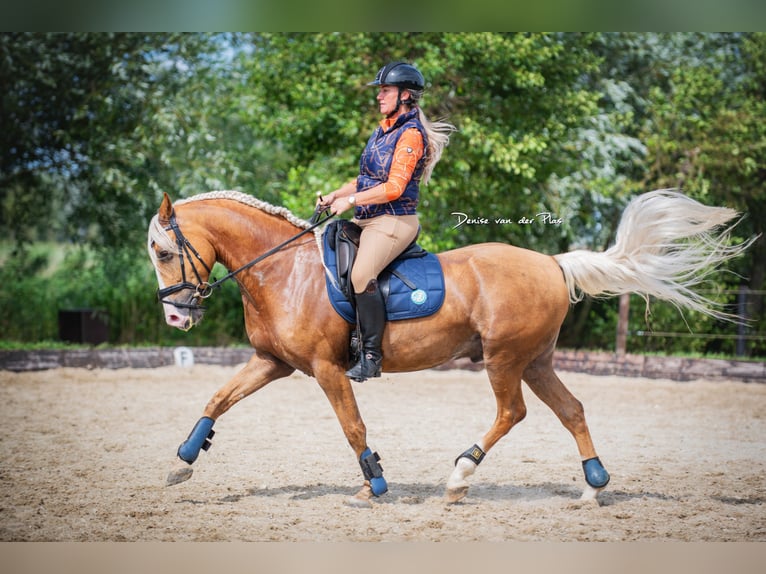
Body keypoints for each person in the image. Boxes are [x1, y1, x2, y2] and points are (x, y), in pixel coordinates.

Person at [319, 61, 456, 382]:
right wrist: (333, 195)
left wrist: (349, 201)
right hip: (368, 218)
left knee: (362, 273)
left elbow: (394, 188)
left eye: (385, 91)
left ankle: (370, 356)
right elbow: (364, 179)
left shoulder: (410, 135)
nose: (379, 97)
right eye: (380, 91)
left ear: (405, 95)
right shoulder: (382, 130)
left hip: (394, 221)